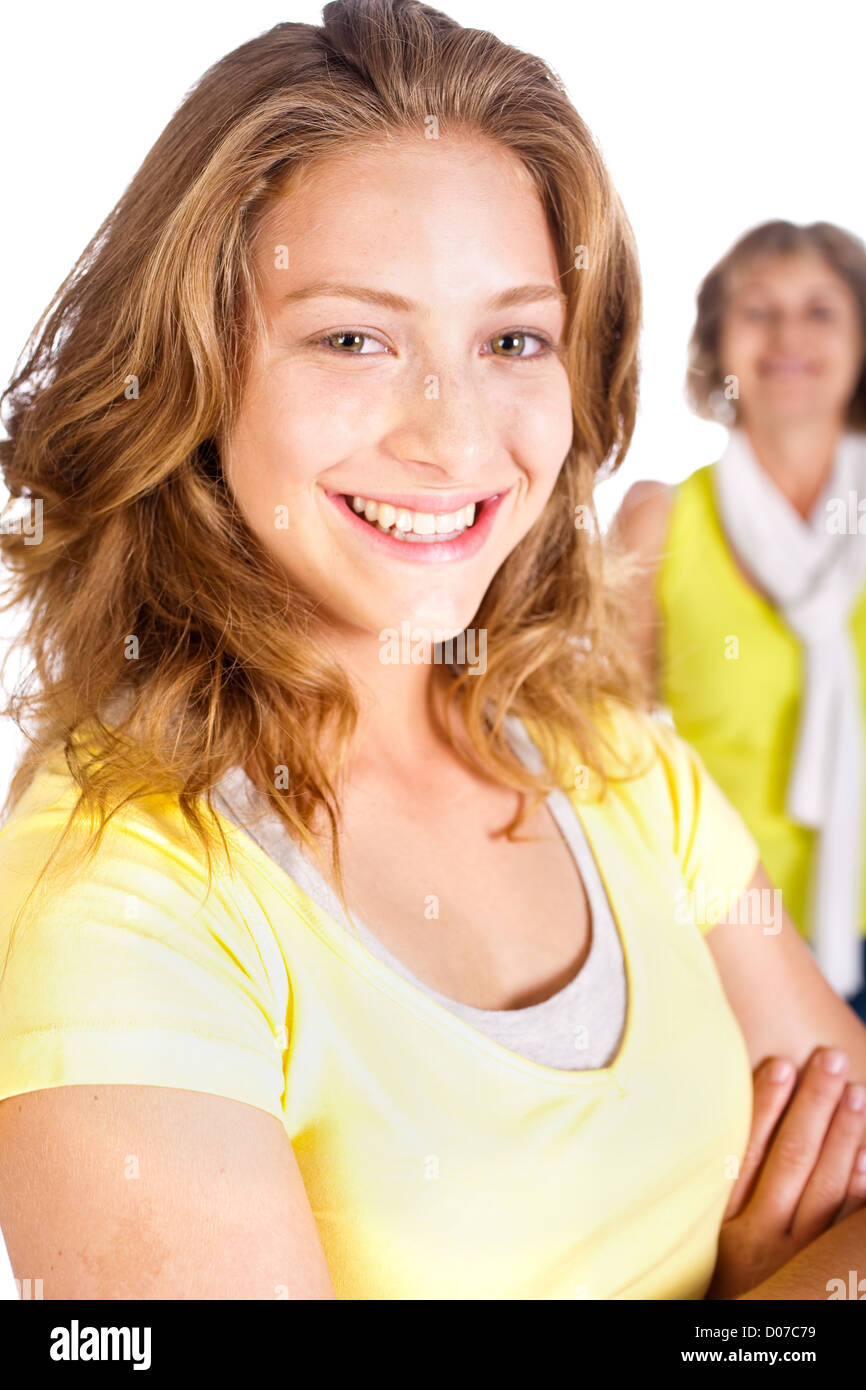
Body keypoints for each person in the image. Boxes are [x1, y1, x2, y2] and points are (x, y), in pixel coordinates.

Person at [0, 1, 865, 1302]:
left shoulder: (612, 757)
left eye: (511, 339)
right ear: (194, 364)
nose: (454, 436)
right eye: (355, 336)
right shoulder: (122, 896)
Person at [612, 221, 866, 1024]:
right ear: (718, 344)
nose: (789, 334)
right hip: (731, 945)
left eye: (820, 311)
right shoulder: (660, 521)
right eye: (759, 311)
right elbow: (598, 743)